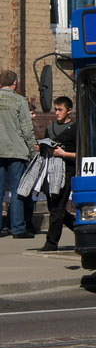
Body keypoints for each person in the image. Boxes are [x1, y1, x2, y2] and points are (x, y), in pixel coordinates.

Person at [0, 69, 36, 239]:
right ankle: (18, 228)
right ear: (15, 83)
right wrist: (31, 150)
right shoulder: (20, 101)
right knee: (17, 191)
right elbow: (27, 129)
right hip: (16, 150)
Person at [40, 97, 77, 252]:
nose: (57, 113)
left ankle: (51, 243)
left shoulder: (75, 129)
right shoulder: (50, 128)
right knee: (55, 207)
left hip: (67, 171)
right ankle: (79, 227)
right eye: (55, 109)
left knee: (58, 206)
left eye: (60, 109)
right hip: (51, 171)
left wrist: (64, 153)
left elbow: (80, 154)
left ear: (69, 111)